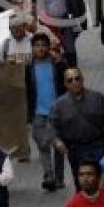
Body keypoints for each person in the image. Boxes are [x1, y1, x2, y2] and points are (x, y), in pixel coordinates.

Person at [50, 66, 104, 188]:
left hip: (98, 145)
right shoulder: (59, 105)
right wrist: (57, 141)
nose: (74, 82)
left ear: (82, 79)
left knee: (100, 179)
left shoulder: (98, 98)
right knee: (82, 182)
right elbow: (53, 128)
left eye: (77, 78)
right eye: (70, 80)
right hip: (76, 148)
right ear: (65, 84)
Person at [26, 33, 67, 192]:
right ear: (32, 48)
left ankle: (59, 178)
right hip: (38, 112)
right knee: (42, 144)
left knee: (58, 147)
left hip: (56, 111)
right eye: (37, 45)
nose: (40, 48)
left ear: (48, 47)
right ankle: (48, 176)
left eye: (43, 45)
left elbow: (65, 86)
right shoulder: (28, 68)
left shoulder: (58, 64)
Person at [39, 0, 87, 66]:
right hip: (49, 24)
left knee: (70, 49)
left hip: (66, 20)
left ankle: (73, 70)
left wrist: (82, 19)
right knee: (54, 50)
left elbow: (78, 0)